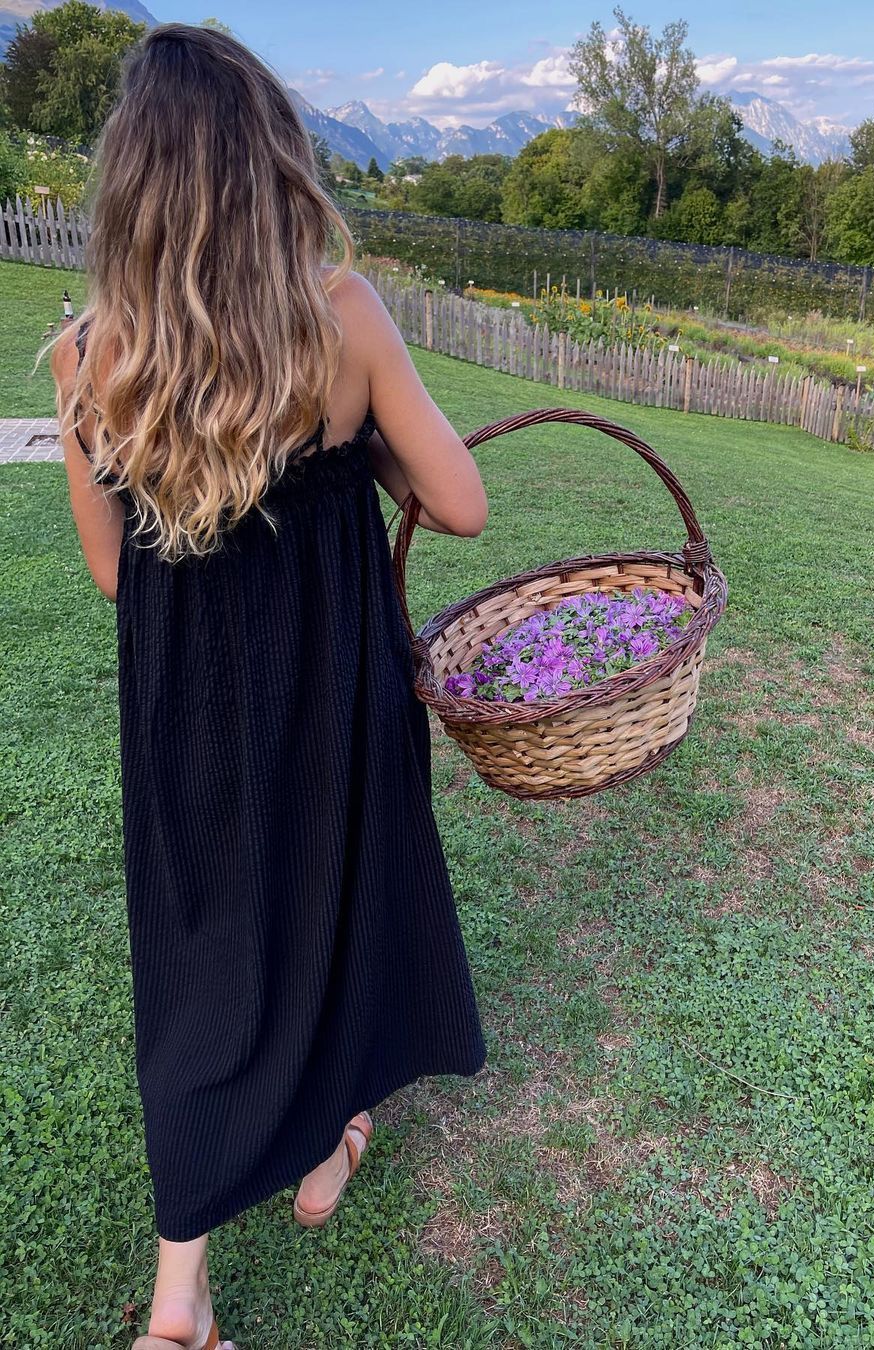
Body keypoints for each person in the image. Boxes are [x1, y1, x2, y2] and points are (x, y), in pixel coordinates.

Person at [48, 23, 489, 1349]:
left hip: (186, 720)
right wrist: (366, 454)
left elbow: (115, 575)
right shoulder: (341, 318)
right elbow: (461, 503)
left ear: (131, 186)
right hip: (332, 696)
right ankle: (328, 1139)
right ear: (271, 164)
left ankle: (179, 1296)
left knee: (203, 957)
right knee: (340, 901)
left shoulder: (87, 356)